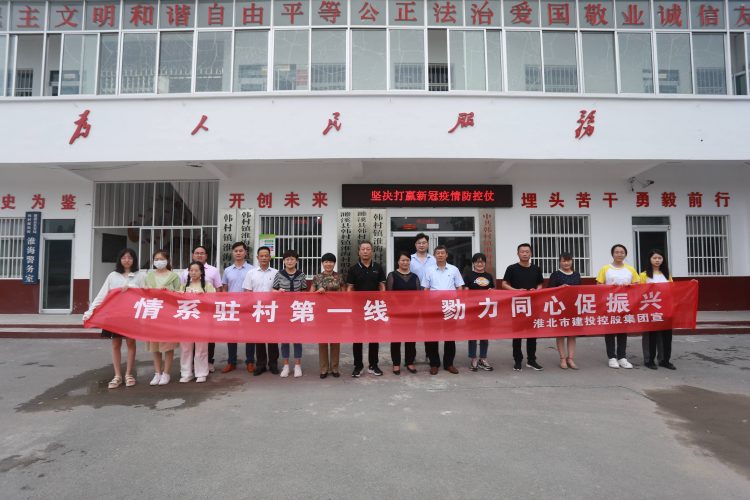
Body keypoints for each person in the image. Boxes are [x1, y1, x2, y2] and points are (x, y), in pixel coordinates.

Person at [83, 248, 144, 389]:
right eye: (124, 257)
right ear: (120, 260)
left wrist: (133, 288)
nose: (127, 260)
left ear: (134, 260)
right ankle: (117, 375)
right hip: (114, 315)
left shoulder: (140, 275)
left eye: (130, 257)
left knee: (131, 343)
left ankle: (128, 374)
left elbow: (146, 293)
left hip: (131, 315)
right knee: (116, 344)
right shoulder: (112, 276)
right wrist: (90, 311)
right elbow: (102, 294)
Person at [180, 245, 223, 373]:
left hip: (205, 316)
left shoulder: (213, 272)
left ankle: (206, 365)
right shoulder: (184, 276)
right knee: (187, 346)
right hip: (188, 317)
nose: (199, 255)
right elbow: (178, 297)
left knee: (205, 343)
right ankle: (188, 370)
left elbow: (218, 291)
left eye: (202, 253)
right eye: (197, 253)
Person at [347, 241, 386, 378]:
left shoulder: (378, 267)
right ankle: (358, 366)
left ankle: (373, 365)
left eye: (368, 249)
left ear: (372, 251)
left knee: (374, 337)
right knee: (357, 338)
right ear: (359, 252)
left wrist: (382, 300)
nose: (365, 251)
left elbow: (382, 286)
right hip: (358, 309)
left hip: (374, 308)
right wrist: (351, 304)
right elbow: (350, 288)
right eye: (362, 249)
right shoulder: (353, 269)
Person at [596, 244, 639, 369]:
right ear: (612, 254)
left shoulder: (630, 269)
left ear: (625, 254)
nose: (619, 254)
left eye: (622, 252)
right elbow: (598, 285)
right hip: (610, 303)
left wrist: (630, 286)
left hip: (625, 304)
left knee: (622, 331)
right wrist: (609, 287)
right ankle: (612, 357)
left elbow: (637, 285)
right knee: (610, 331)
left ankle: (622, 357)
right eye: (617, 252)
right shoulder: (605, 268)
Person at [502, 243, 544, 371]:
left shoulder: (536, 269)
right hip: (518, 305)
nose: (525, 254)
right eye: (522, 252)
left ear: (531, 253)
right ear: (518, 253)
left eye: (527, 251)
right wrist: (516, 291)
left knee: (532, 334)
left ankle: (531, 360)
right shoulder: (512, 268)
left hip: (533, 304)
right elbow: (504, 284)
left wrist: (536, 290)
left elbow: (540, 284)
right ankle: (518, 361)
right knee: (517, 335)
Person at [423, 245, 465, 375]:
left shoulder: (454, 269)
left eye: (442, 253)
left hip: (449, 306)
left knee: (450, 336)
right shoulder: (429, 270)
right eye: (438, 253)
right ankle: (434, 364)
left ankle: (449, 364)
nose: (440, 255)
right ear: (434, 256)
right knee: (432, 336)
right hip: (433, 306)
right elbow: (426, 289)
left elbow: (459, 287)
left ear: (446, 255)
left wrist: (458, 302)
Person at [143, 249, 181, 385]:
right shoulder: (149, 276)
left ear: (167, 260)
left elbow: (179, 293)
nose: (159, 262)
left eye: (161, 259)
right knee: (155, 346)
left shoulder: (174, 276)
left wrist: (169, 292)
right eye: (156, 259)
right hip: (154, 313)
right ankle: (157, 373)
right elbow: (144, 293)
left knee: (168, 345)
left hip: (168, 314)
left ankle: (166, 373)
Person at [243, 246, 279, 375]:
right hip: (256, 310)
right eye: (261, 256)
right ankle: (261, 364)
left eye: (266, 255)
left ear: (270, 257)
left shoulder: (276, 273)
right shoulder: (251, 273)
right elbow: (247, 292)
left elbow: (279, 291)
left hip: (272, 309)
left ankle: (273, 364)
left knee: (273, 338)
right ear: (257, 257)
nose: (264, 258)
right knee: (259, 338)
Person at [221, 242, 255, 374]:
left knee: (249, 335)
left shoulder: (252, 270)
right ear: (232, 253)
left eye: (241, 250)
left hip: (248, 307)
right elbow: (224, 288)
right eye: (236, 251)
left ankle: (250, 361)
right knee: (231, 335)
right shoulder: (227, 270)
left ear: (245, 252)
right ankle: (231, 362)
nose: (238, 253)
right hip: (232, 307)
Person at [273, 249, 307, 378]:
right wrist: (279, 291)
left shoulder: (301, 274)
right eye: (287, 259)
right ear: (284, 261)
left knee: (297, 339)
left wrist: (300, 296)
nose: (290, 261)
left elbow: (305, 291)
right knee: (285, 339)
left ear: (296, 261)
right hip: (283, 311)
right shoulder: (279, 274)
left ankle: (297, 365)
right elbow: (273, 290)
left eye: (292, 259)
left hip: (297, 310)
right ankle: (286, 365)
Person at [639, 249, 676, 370]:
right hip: (649, 308)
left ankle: (664, 360)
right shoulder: (643, 275)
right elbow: (638, 292)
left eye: (660, 258)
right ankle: (649, 360)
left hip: (665, 308)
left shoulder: (666, 275)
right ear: (650, 259)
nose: (657, 260)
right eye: (654, 258)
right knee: (650, 335)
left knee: (666, 335)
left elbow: (673, 290)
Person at [180, 261, 215, 383]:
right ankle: (186, 373)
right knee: (185, 348)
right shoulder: (183, 286)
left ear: (201, 272)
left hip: (202, 322)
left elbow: (214, 301)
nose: (193, 273)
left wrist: (204, 296)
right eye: (191, 270)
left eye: (196, 270)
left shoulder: (207, 286)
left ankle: (201, 372)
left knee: (201, 348)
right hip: (186, 322)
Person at [312, 253, 346, 379]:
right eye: (326, 262)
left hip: (336, 313)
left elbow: (344, 295)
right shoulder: (317, 277)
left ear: (334, 263)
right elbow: (311, 295)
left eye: (331, 262)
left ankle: (335, 368)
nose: (328, 264)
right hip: (321, 313)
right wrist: (318, 292)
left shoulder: (339, 277)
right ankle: (324, 369)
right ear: (322, 263)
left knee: (335, 341)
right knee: (322, 341)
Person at [386, 251, 420, 375]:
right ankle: (396, 364)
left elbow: (418, 295)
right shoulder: (392, 275)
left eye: (407, 260)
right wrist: (400, 307)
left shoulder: (415, 277)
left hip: (412, 313)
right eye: (403, 260)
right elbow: (389, 294)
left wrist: (410, 307)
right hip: (396, 313)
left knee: (411, 338)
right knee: (396, 338)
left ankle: (409, 362)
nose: (405, 262)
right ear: (398, 262)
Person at [548, 253, 582, 370]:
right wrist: (560, 288)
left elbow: (581, 290)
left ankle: (570, 358)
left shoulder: (577, 274)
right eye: (563, 261)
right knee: (561, 334)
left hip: (573, 307)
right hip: (560, 308)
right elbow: (549, 291)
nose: (566, 263)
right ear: (559, 262)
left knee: (572, 335)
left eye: (568, 261)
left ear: (572, 261)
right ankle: (562, 358)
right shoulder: (555, 275)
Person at [463, 252, 495, 372]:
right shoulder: (468, 275)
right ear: (473, 263)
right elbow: (465, 292)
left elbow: (493, 290)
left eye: (482, 262)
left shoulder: (489, 276)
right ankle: (473, 359)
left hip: (485, 310)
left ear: (485, 263)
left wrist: (491, 291)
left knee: (484, 336)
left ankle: (483, 358)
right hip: (472, 310)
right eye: (477, 262)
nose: (480, 264)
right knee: (472, 336)